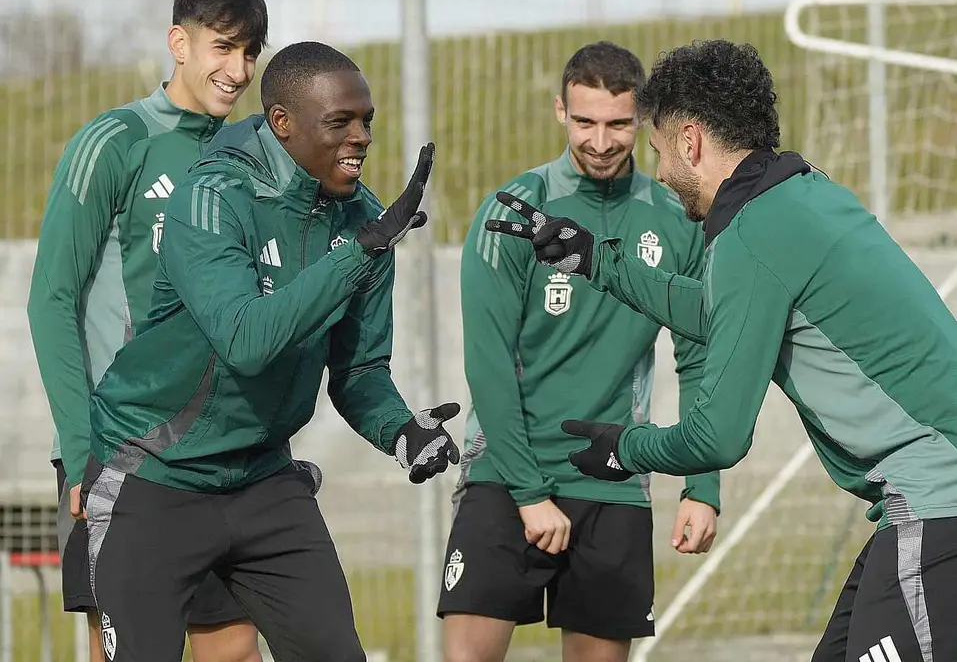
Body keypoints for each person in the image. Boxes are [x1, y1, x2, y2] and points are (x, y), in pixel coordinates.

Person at [485, 39, 957, 662]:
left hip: (937, 499)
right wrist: (594, 258)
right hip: (924, 506)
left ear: (690, 142)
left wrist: (623, 449)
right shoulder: (798, 195)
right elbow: (717, 312)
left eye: (656, 150)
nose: (657, 170)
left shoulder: (753, 232)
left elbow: (718, 437)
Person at [73, 40, 460, 662]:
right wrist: (360, 253)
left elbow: (359, 369)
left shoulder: (364, 218)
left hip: (263, 479)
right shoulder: (212, 197)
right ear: (282, 122)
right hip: (155, 475)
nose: (360, 136)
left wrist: (399, 431)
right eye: (341, 122)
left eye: (368, 121)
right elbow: (246, 341)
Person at [438, 41, 721, 662]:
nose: (600, 140)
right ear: (559, 111)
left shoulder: (676, 217)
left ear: (643, 119)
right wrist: (528, 492)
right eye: (585, 121)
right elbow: (487, 362)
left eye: (618, 124)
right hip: (505, 473)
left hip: (612, 475)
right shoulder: (512, 211)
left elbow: (700, 357)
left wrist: (703, 484)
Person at [27, 0, 269, 662]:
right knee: (127, 648)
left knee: (232, 647)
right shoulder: (115, 141)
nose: (238, 69)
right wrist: (81, 452)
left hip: (219, 450)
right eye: (223, 46)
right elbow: (51, 300)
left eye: (250, 52)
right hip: (122, 448)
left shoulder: (253, 157)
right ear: (179, 43)